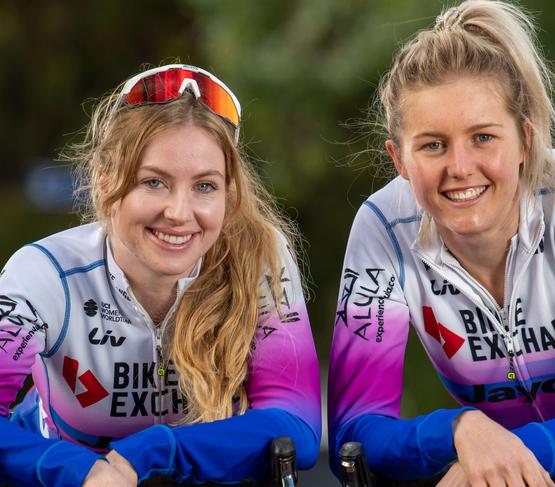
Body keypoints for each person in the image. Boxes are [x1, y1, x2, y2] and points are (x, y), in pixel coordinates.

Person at [328, 1, 555, 486]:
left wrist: (512, 454)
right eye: (433, 145)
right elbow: (352, 438)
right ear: (398, 158)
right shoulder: (382, 227)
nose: (460, 167)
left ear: (524, 139)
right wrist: (458, 431)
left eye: (483, 137)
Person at [0, 64, 321, 486]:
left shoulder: (260, 257)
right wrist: (83, 471)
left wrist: (151, 453)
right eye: (154, 182)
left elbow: (296, 423)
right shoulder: (45, 273)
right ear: (104, 182)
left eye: (204, 186)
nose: (179, 213)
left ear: (229, 191)